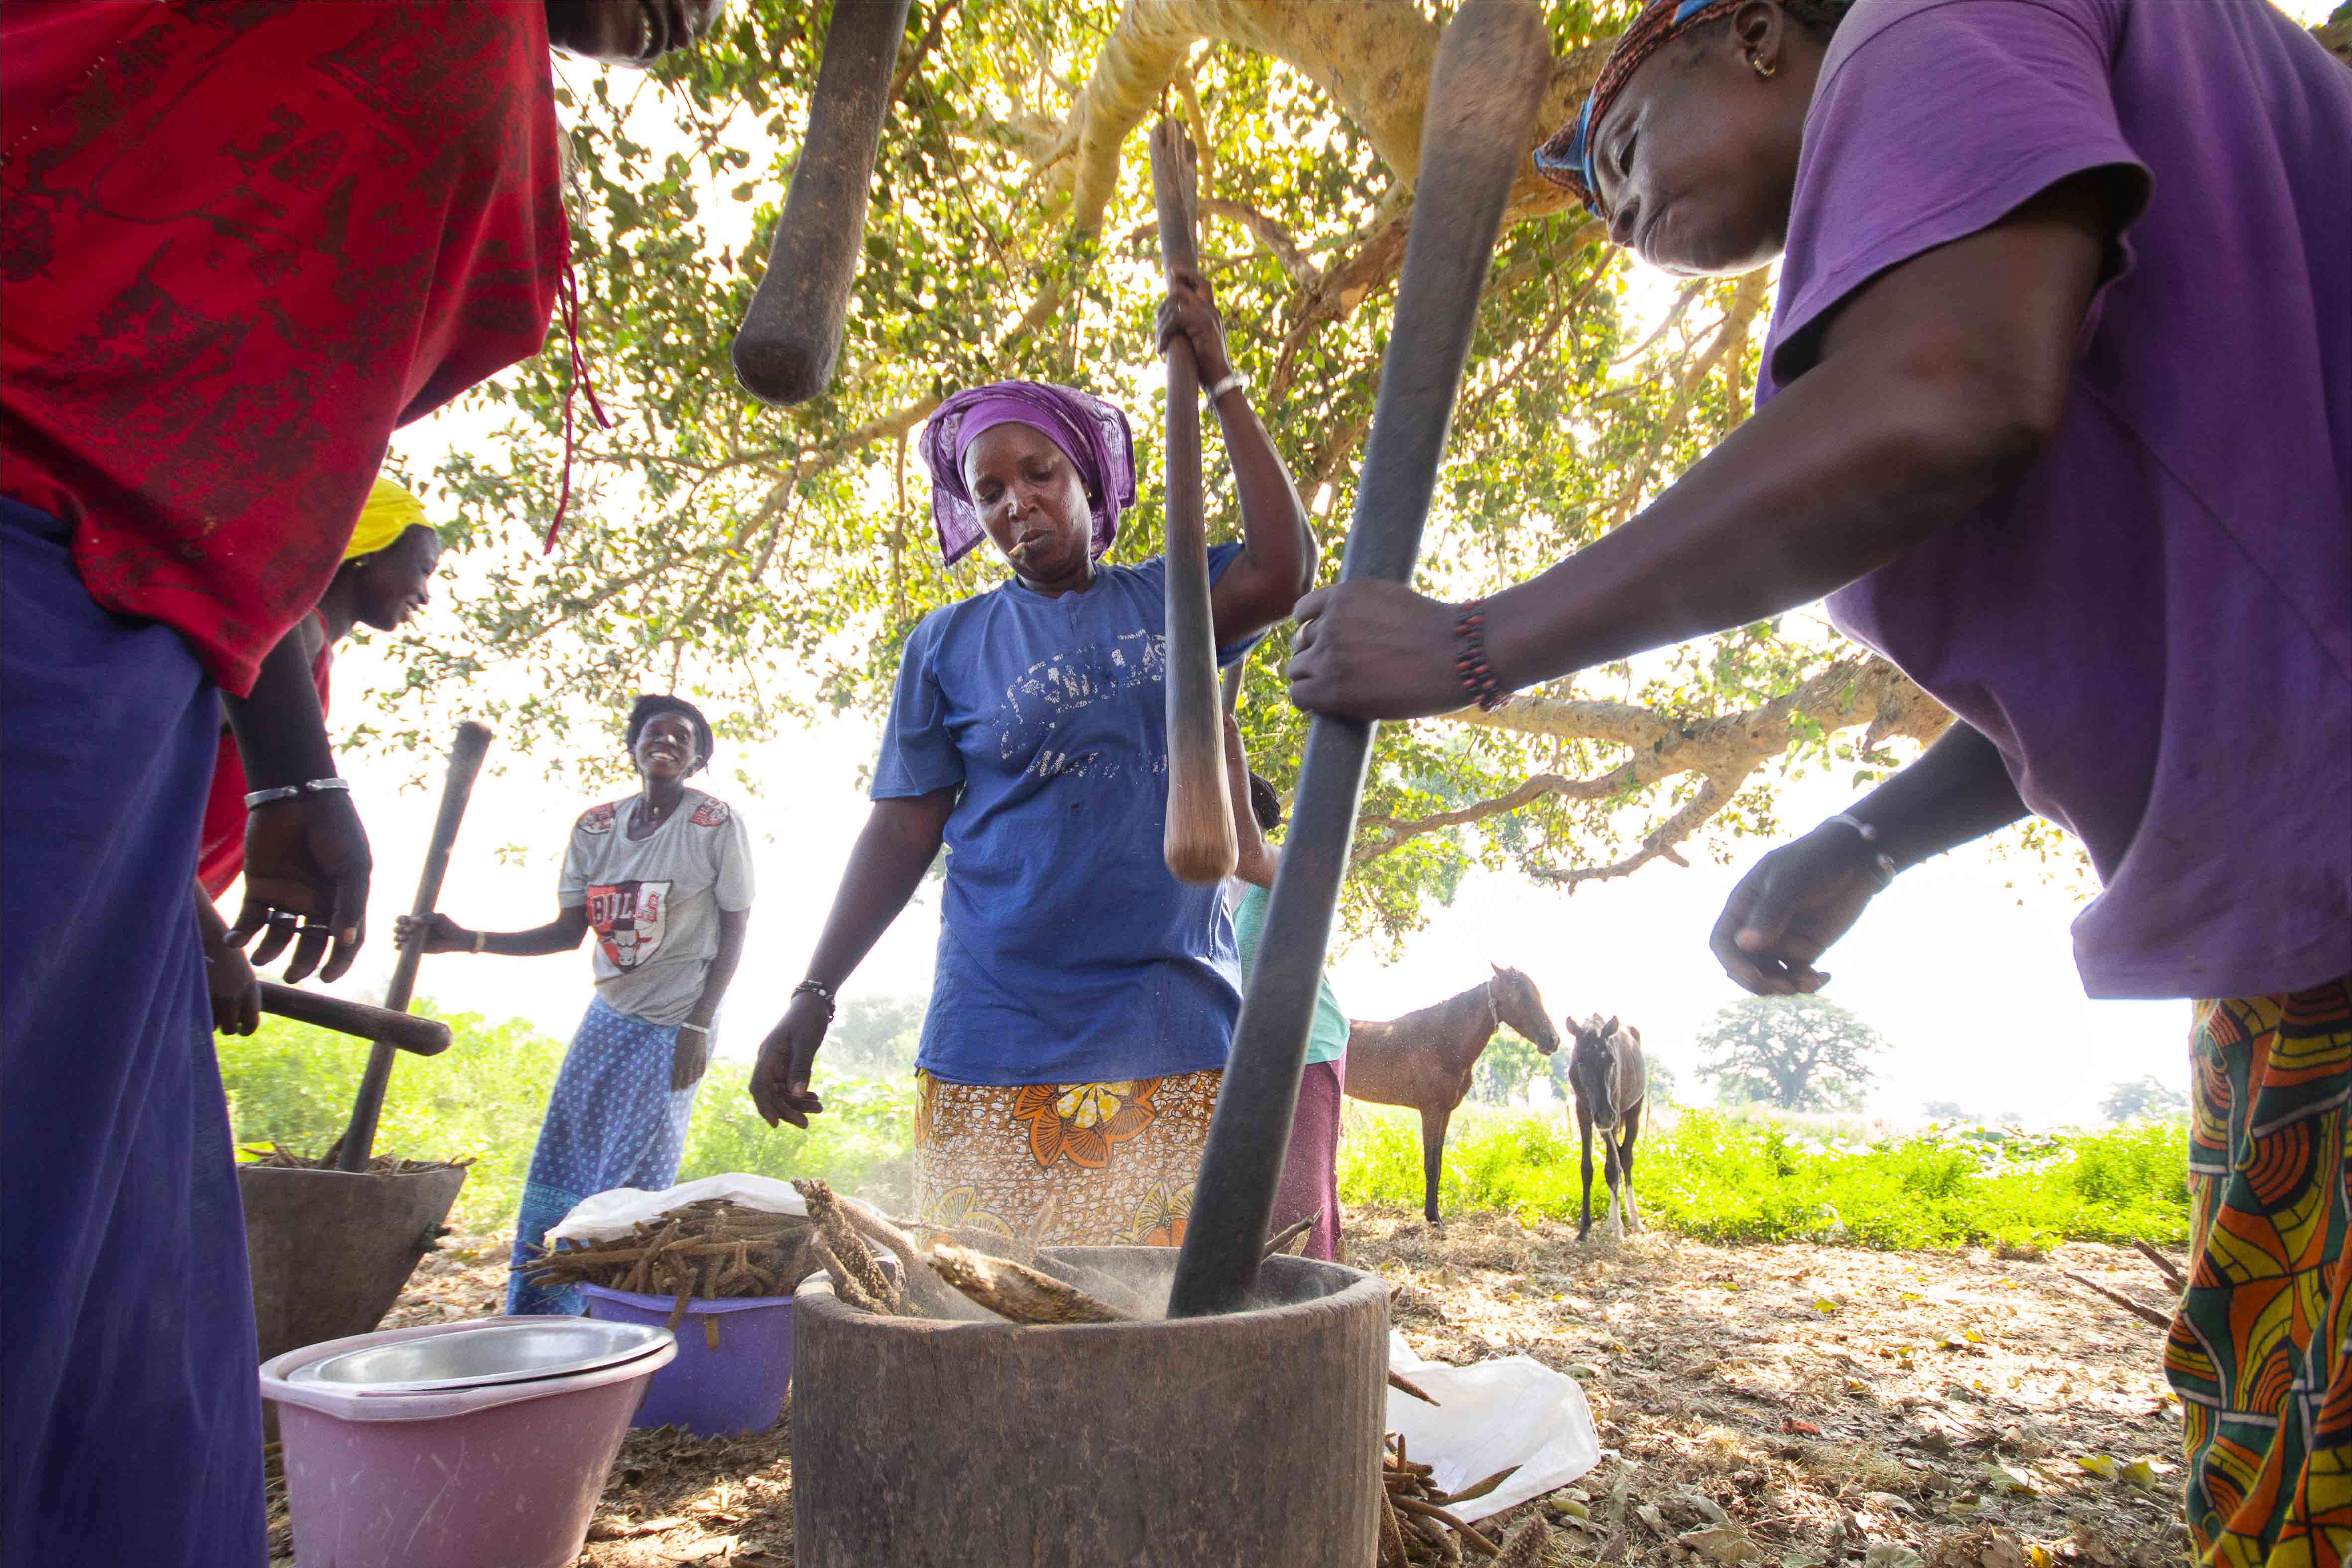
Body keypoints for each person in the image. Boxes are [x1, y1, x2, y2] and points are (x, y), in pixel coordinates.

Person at [1283, 4, 2347, 1562]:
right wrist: (1869, 832)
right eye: (1581, 182)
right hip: (2296, 929)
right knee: (2268, 1407)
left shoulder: (1922, 22)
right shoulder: (2013, 155)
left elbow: (1944, 398)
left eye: (1619, 135)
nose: (1602, 193)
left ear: (1756, 35)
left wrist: (1476, 642)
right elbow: (2219, 599)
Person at [1, 5, 718, 1559]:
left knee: (131, 1369)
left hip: (115, 655)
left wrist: (256, 806)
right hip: (43, 605)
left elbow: (219, 447)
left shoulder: (702, 832)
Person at [748, 271, 1316, 1248]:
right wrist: (814, 989)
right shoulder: (946, 641)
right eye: (990, 490)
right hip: (996, 1034)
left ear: (1089, 481)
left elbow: (1285, 566)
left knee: (1158, 1330)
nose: (1016, 503)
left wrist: (1219, 376)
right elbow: (901, 825)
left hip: (1169, 1030)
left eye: (1039, 473)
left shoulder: (1174, 597)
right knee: (997, 1314)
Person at [399, 697, 752, 1315]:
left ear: (698, 758)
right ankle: (538, 1313)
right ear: (633, 746)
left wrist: (698, 1023)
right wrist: (465, 940)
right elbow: (567, 932)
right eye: (653, 732)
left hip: (676, 1018)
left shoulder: (714, 822)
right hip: (609, 1015)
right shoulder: (595, 826)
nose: (666, 741)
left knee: (634, 1177)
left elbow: (735, 927)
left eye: (682, 736)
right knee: (564, 1160)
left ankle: (606, 1322)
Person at [200, 479, 445, 1037]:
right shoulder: (295, 638)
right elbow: (133, 769)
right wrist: (203, 930)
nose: (426, 594)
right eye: (423, 567)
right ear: (366, 548)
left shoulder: (308, 653)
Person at [1221, 714, 1351, 1262]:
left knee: (1298, 1209)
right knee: (1249, 1207)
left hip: (1303, 1051)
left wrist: (1226, 752)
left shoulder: (1278, 868)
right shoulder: (1204, 889)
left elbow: (1248, 853)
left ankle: (1310, 1321)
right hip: (1245, 1058)